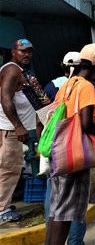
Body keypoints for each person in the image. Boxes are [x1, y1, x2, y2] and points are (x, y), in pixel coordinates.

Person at [44, 43, 95, 245]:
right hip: (74, 154)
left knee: (56, 210)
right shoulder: (87, 86)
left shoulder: (67, 84)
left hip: (59, 151)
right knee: (66, 214)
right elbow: (86, 123)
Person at [0, 39, 43, 223]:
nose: (27, 54)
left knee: (8, 168)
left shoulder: (20, 70)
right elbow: (5, 98)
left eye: (29, 52)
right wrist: (18, 126)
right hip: (10, 130)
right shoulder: (12, 70)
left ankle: (3, 205)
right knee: (9, 169)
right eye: (23, 51)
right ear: (13, 52)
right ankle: (2, 210)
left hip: (12, 129)